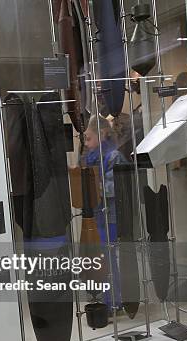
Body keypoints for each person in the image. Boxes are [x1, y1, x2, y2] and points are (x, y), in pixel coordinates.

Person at [82, 115, 129, 310]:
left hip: (110, 216)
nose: (86, 143)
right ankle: (107, 297)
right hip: (99, 215)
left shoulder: (113, 156)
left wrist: (96, 185)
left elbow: (118, 187)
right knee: (102, 257)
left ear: (101, 134)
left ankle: (114, 301)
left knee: (108, 258)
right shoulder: (94, 157)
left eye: (88, 138)